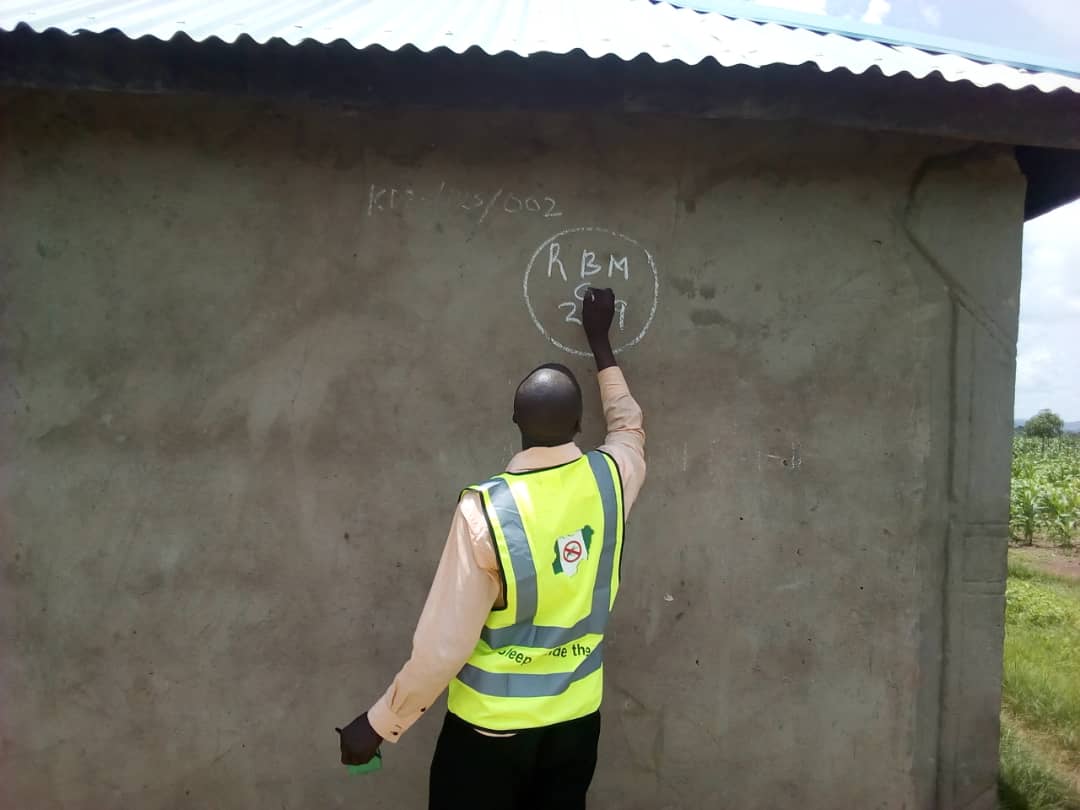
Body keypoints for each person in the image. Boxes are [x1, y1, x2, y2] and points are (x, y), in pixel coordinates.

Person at [337, 287, 646, 809]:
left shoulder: (486, 512)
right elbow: (628, 425)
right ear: (576, 425)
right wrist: (601, 343)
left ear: (515, 423)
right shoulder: (612, 479)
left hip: (490, 738)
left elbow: (445, 646)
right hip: (574, 727)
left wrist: (379, 723)